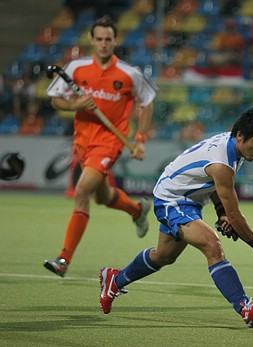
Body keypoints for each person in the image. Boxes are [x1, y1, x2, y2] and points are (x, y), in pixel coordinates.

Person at [99, 107, 253, 328]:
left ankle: (114, 280)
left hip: (187, 200)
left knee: (164, 256)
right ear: (241, 136)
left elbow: (218, 191)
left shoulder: (233, 146)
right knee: (212, 245)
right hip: (171, 199)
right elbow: (235, 214)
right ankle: (244, 307)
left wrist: (221, 212)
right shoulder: (222, 162)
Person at [43, 16, 158, 277]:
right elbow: (55, 99)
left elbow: (147, 102)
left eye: (109, 39)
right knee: (102, 195)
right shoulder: (76, 68)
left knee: (82, 191)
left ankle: (63, 259)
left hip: (109, 142)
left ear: (115, 41)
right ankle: (137, 210)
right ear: (92, 40)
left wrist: (139, 139)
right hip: (83, 140)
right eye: (99, 39)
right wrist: (75, 105)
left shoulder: (130, 74)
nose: (104, 44)